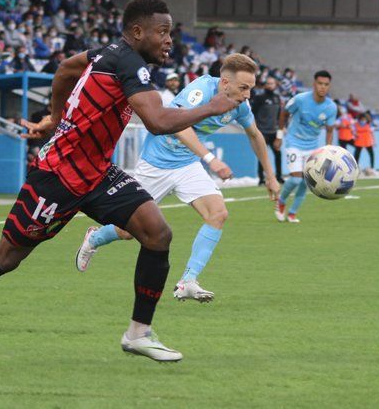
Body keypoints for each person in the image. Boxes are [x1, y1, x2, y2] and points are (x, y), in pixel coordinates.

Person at [0, 0, 239, 369]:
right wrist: (214, 107)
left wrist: (56, 116)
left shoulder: (109, 54)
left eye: (171, 32)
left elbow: (68, 68)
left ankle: (138, 333)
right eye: (162, 32)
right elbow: (158, 121)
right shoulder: (127, 63)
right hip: (58, 176)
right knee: (7, 257)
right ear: (137, 32)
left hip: (97, 172)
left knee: (157, 233)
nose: (169, 40)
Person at [76, 53, 280, 302]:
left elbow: (255, 135)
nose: (248, 94)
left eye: (251, 88)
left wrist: (270, 176)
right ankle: (95, 237)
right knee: (129, 231)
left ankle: (188, 281)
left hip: (187, 165)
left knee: (218, 213)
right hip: (156, 165)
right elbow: (179, 125)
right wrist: (210, 159)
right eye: (243, 88)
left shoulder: (240, 106)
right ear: (225, 83)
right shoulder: (200, 90)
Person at [274, 70, 337, 223]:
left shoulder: (331, 107)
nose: (322, 87)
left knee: (307, 182)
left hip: (312, 147)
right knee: (296, 179)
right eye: (320, 84)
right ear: (314, 84)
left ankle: (292, 213)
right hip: (294, 142)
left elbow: (329, 131)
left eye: (326, 85)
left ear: (329, 86)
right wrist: (279, 136)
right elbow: (284, 113)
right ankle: (281, 201)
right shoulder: (300, 100)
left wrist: (328, 151)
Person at [249, 76, 283, 186]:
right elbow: (252, 113)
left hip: (274, 131)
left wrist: (280, 130)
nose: (270, 85)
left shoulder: (277, 98)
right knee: (262, 155)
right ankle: (261, 178)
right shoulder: (260, 98)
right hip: (262, 131)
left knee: (278, 154)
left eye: (272, 83)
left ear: (275, 85)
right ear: (265, 85)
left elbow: (279, 116)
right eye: (268, 83)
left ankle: (279, 176)